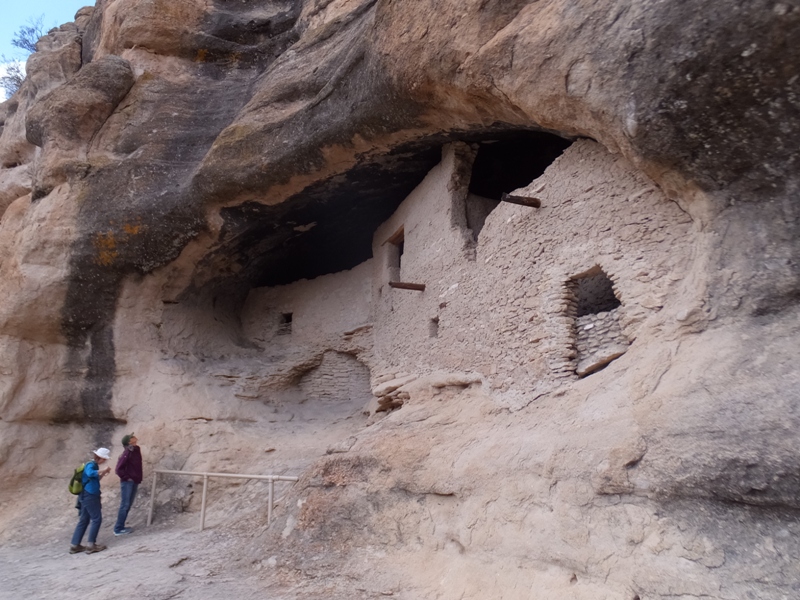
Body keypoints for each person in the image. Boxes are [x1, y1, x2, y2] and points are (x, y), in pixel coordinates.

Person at [69, 447, 112, 554]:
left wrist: (102, 474)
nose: (105, 461)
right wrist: (101, 470)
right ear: (100, 457)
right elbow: (90, 473)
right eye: (104, 459)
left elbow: (93, 479)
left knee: (84, 519)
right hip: (91, 495)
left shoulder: (92, 465)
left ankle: (75, 545)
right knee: (96, 519)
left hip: (84, 495)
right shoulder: (91, 465)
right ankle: (91, 544)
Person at [113, 433, 143, 536]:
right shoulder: (127, 452)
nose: (135, 437)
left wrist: (137, 478)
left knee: (128, 504)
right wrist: (127, 477)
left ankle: (121, 527)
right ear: (129, 441)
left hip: (134, 480)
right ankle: (118, 528)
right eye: (132, 437)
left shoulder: (135, 449)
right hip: (128, 482)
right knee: (125, 505)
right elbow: (118, 469)